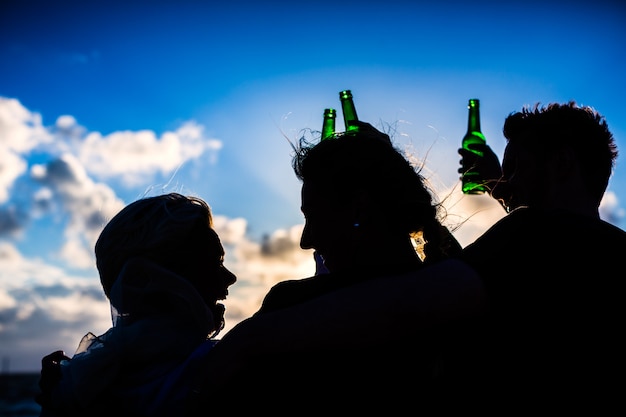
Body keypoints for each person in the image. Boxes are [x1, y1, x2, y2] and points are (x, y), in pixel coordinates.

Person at [190, 121, 486, 413]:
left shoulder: (291, 305)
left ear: (358, 209)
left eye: (312, 217)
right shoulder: (476, 303)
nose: (306, 241)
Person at [456, 101, 626, 410]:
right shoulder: (614, 249)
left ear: (562, 162)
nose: (508, 187)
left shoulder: (526, 233)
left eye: (517, 168)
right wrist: (500, 183)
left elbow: (420, 299)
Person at [35, 193, 237, 417]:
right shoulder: (235, 366)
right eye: (213, 263)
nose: (230, 278)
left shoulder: (75, 387)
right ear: (152, 277)